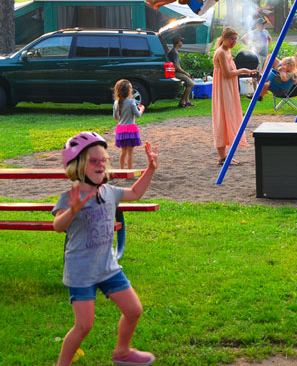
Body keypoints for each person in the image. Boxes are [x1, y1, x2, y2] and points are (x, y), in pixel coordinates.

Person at [53, 132, 159, 366]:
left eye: (104, 160)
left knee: (134, 310)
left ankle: (122, 352)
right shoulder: (70, 197)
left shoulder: (109, 192)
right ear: (78, 165)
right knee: (84, 326)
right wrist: (73, 210)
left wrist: (150, 168)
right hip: (80, 271)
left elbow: (135, 193)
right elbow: (57, 226)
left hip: (107, 267)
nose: (100, 164)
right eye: (93, 161)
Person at [212, 26, 258, 165]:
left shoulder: (227, 51)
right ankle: (222, 157)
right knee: (222, 118)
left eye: (235, 39)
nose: (234, 41)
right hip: (223, 89)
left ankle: (225, 156)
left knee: (229, 117)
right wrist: (242, 71)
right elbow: (226, 74)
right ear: (224, 39)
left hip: (229, 88)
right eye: (231, 39)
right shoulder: (220, 52)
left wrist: (245, 71)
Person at [113, 79, 145, 169]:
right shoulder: (131, 102)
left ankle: (122, 170)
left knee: (123, 152)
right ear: (129, 91)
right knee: (130, 152)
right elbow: (138, 115)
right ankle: (130, 170)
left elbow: (115, 117)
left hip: (121, 130)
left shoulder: (116, 102)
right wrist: (141, 109)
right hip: (131, 129)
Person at [168, 35, 195, 107]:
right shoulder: (174, 52)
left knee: (189, 81)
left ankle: (187, 101)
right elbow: (176, 66)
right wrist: (185, 73)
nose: (182, 43)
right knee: (191, 83)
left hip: (176, 72)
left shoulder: (175, 51)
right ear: (178, 42)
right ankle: (182, 101)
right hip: (174, 73)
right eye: (181, 41)